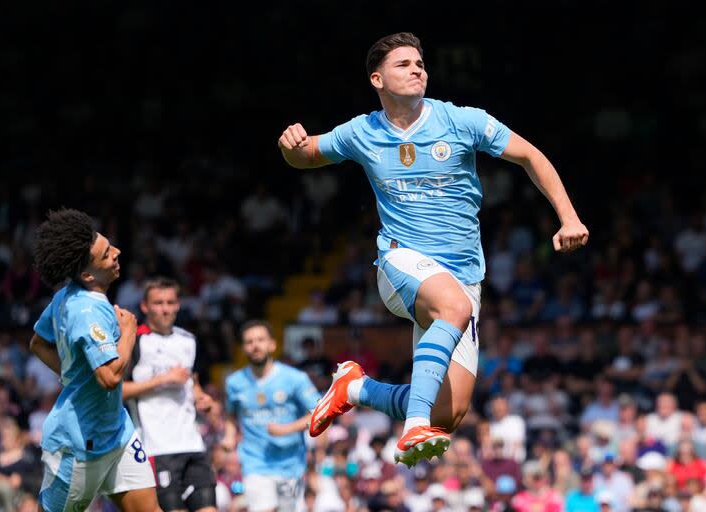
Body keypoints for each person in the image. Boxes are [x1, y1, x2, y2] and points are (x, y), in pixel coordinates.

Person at [278, 31, 589, 466]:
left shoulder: (462, 121)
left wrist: (569, 217)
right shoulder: (361, 131)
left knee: (451, 412)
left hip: (464, 275)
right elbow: (306, 154)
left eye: (420, 63)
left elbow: (531, 156)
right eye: (403, 64)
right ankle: (412, 427)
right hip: (400, 260)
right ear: (377, 79)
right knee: (452, 309)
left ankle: (355, 388)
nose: (416, 69)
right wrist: (289, 145)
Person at [28, 208, 160, 512]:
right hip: (78, 445)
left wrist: (73, 377)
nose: (116, 252)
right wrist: (128, 333)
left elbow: (38, 342)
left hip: (116, 432)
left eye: (109, 245)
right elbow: (110, 377)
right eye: (106, 254)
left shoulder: (66, 295)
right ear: (88, 274)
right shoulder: (88, 310)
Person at [122, 278, 217, 512]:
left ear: (178, 305)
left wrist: (199, 396)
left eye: (170, 302)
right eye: (158, 303)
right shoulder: (134, 341)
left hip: (192, 443)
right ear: (145, 306)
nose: (165, 308)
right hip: (156, 447)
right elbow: (116, 390)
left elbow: (191, 381)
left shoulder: (188, 340)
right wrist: (163, 379)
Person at [221, 320, 320, 512]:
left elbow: (320, 412)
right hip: (254, 461)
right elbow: (231, 415)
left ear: (272, 344)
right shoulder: (234, 382)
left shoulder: (295, 379)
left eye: (260, 339)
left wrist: (287, 429)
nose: (255, 345)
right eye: (249, 342)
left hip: (290, 463)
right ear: (243, 348)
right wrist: (229, 436)